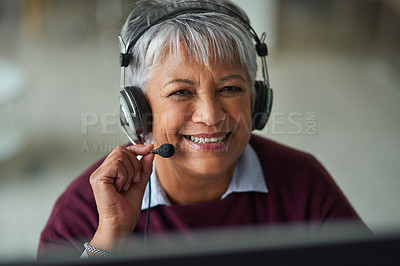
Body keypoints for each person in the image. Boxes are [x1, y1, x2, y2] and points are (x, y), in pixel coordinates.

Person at [38, 0, 366, 259]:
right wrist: (109, 238)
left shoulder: (303, 183)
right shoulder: (86, 208)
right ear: (138, 111)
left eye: (230, 89)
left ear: (257, 99)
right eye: (181, 92)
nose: (210, 116)